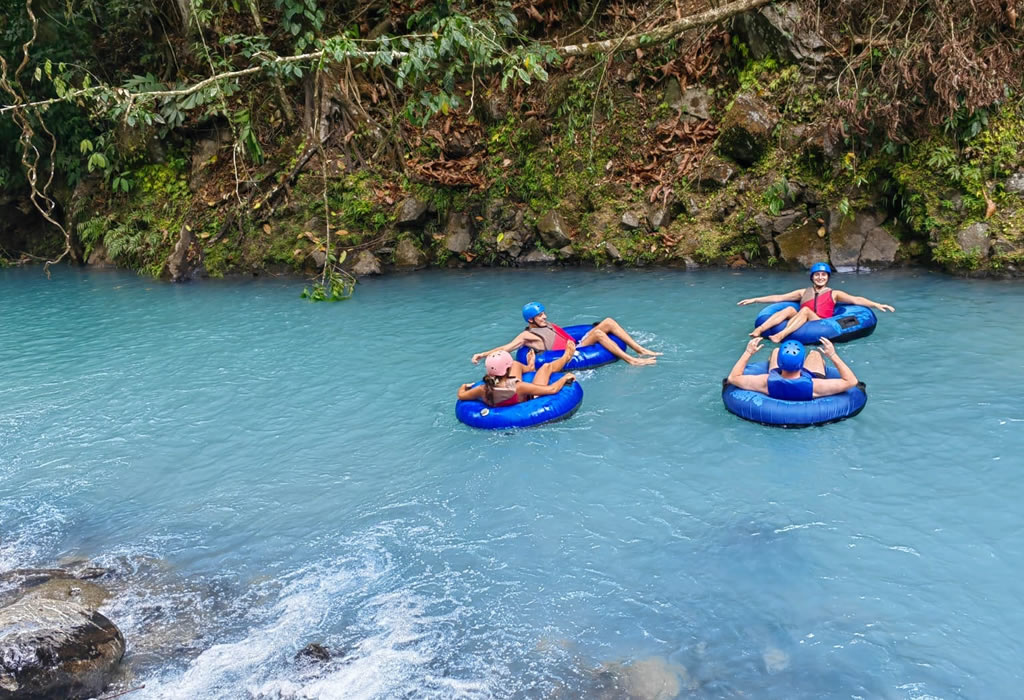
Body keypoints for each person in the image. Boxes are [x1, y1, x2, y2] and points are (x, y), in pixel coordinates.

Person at [737, 262, 895, 343]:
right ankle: (760, 329)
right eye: (817, 275)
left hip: (820, 323)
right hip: (802, 320)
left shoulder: (834, 294)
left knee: (804, 311)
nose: (820, 277)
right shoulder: (802, 292)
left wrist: (877, 304)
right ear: (812, 277)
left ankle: (781, 335)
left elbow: (856, 300)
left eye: (823, 275)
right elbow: (779, 298)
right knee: (789, 310)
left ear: (827, 277)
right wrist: (755, 299)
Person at [470, 302, 661, 367]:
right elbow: (505, 348)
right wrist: (483, 354)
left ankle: (640, 349)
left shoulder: (547, 324)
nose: (544, 317)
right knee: (602, 336)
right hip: (572, 352)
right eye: (540, 316)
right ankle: (632, 360)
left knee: (609, 321)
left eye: (544, 313)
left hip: (575, 344)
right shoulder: (526, 336)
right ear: (531, 320)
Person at [725, 337, 858, 399]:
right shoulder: (816, 386)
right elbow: (851, 381)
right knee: (815, 354)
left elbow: (733, 377)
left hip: (775, 387)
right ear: (801, 365)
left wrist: (748, 352)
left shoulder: (765, 382)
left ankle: (779, 355)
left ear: (779, 364)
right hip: (808, 385)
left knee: (776, 350)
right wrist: (833, 355)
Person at [458, 342, 577, 407]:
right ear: (507, 369)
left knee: (515, 364)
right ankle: (566, 357)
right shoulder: (518, 386)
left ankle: (530, 367)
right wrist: (564, 378)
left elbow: (461, 395)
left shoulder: (482, 389)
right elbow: (552, 389)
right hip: (528, 402)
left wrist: (464, 386)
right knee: (546, 367)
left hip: (505, 391)